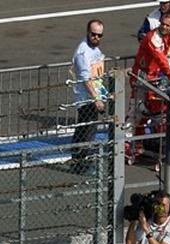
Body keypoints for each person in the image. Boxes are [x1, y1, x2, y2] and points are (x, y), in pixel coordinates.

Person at [129, 11, 170, 168]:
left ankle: (151, 145)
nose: (164, 27)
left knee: (155, 112)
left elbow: (165, 61)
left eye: (168, 25)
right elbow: (162, 60)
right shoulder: (153, 38)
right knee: (138, 113)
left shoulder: (168, 37)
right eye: (163, 24)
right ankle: (131, 145)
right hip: (141, 79)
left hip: (153, 79)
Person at [70, 19, 107, 172]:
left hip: (94, 95)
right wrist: (96, 98)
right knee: (87, 131)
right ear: (87, 32)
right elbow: (86, 78)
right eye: (94, 35)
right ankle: (81, 163)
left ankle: (78, 160)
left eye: (99, 35)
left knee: (85, 130)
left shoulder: (94, 49)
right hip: (87, 98)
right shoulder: (83, 52)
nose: (96, 38)